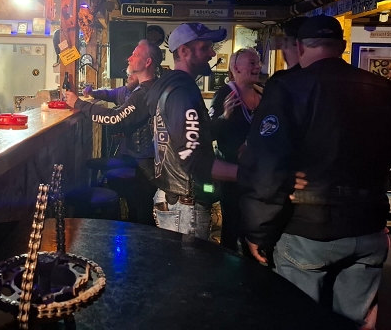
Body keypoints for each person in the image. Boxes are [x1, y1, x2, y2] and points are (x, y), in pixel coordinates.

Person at [237, 15, 391, 328]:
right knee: (356, 321)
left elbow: (267, 164)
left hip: (307, 229)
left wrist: (258, 229)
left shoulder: (287, 88)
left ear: (300, 47)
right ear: (342, 46)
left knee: (300, 319)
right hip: (368, 227)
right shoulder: (385, 89)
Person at [66, 40, 162, 224]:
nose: (129, 58)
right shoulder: (147, 88)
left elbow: (115, 117)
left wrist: (79, 104)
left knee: (141, 216)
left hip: (145, 164)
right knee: (139, 212)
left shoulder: (144, 93)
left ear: (148, 62)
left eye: (135, 54)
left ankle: (135, 239)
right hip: (144, 160)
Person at [146, 22, 227, 239]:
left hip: (176, 199)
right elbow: (194, 160)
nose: (212, 54)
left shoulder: (170, 85)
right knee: (188, 262)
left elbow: (190, 136)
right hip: (185, 205)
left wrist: (224, 120)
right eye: (205, 48)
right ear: (184, 51)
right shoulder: (181, 92)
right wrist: (250, 174)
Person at [209, 48, 262, 253]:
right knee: (232, 225)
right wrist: (225, 116)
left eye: (258, 62)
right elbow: (209, 133)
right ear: (236, 68)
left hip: (257, 174)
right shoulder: (224, 94)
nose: (257, 67)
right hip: (232, 175)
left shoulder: (262, 93)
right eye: (252, 63)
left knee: (253, 227)